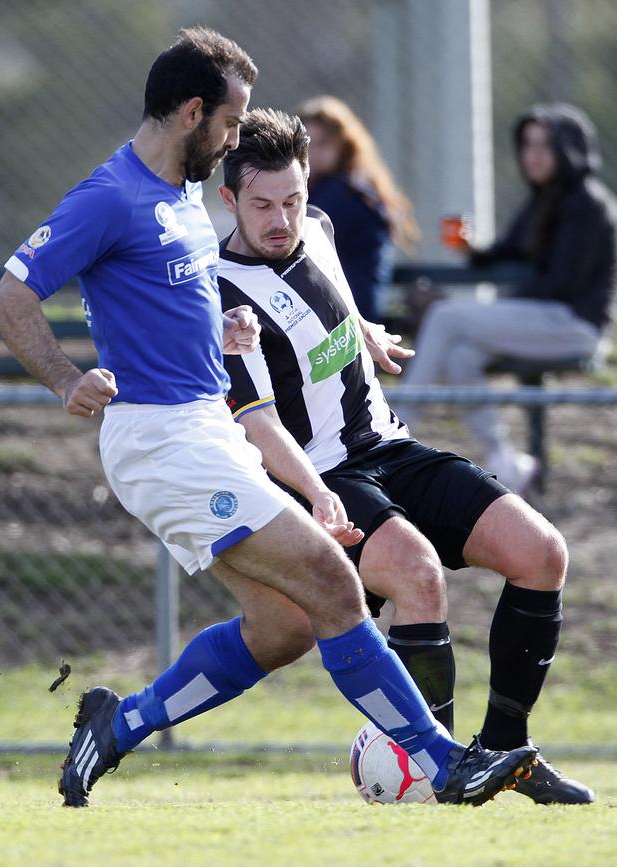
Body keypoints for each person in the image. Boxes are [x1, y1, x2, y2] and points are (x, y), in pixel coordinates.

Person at [0, 28, 536, 809]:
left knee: (285, 624)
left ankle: (118, 724)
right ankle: (442, 762)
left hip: (205, 426)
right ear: (190, 112)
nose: (237, 135)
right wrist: (65, 378)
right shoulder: (109, 196)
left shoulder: (178, 195)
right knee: (330, 582)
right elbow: (11, 298)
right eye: (231, 119)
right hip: (162, 438)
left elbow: (156, 305)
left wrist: (220, 331)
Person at [216, 107, 593, 805]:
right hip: (319, 478)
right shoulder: (224, 298)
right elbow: (258, 421)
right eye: (263, 204)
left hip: (389, 446)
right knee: (418, 575)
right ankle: (437, 773)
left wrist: (366, 332)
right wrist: (316, 496)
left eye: (294, 200)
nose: (281, 218)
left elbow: (330, 292)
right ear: (229, 199)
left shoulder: (320, 230)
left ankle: (506, 749)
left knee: (542, 552)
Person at [401, 103, 616, 492]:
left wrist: (477, 309)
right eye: (527, 144)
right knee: (459, 355)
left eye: (544, 146)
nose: (531, 155)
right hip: (543, 319)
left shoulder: (588, 203)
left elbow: (562, 285)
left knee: (446, 317)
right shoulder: (542, 199)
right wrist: (473, 251)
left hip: (575, 326)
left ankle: (396, 429)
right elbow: (508, 251)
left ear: (568, 150)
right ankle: (507, 461)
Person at [297, 95, 418, 321]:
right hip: (344, 310)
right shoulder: (349, 187)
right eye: (306, 144)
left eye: (323, 143)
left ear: (344, 144)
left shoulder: (343, 192)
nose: (313, 153)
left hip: (345, 316)